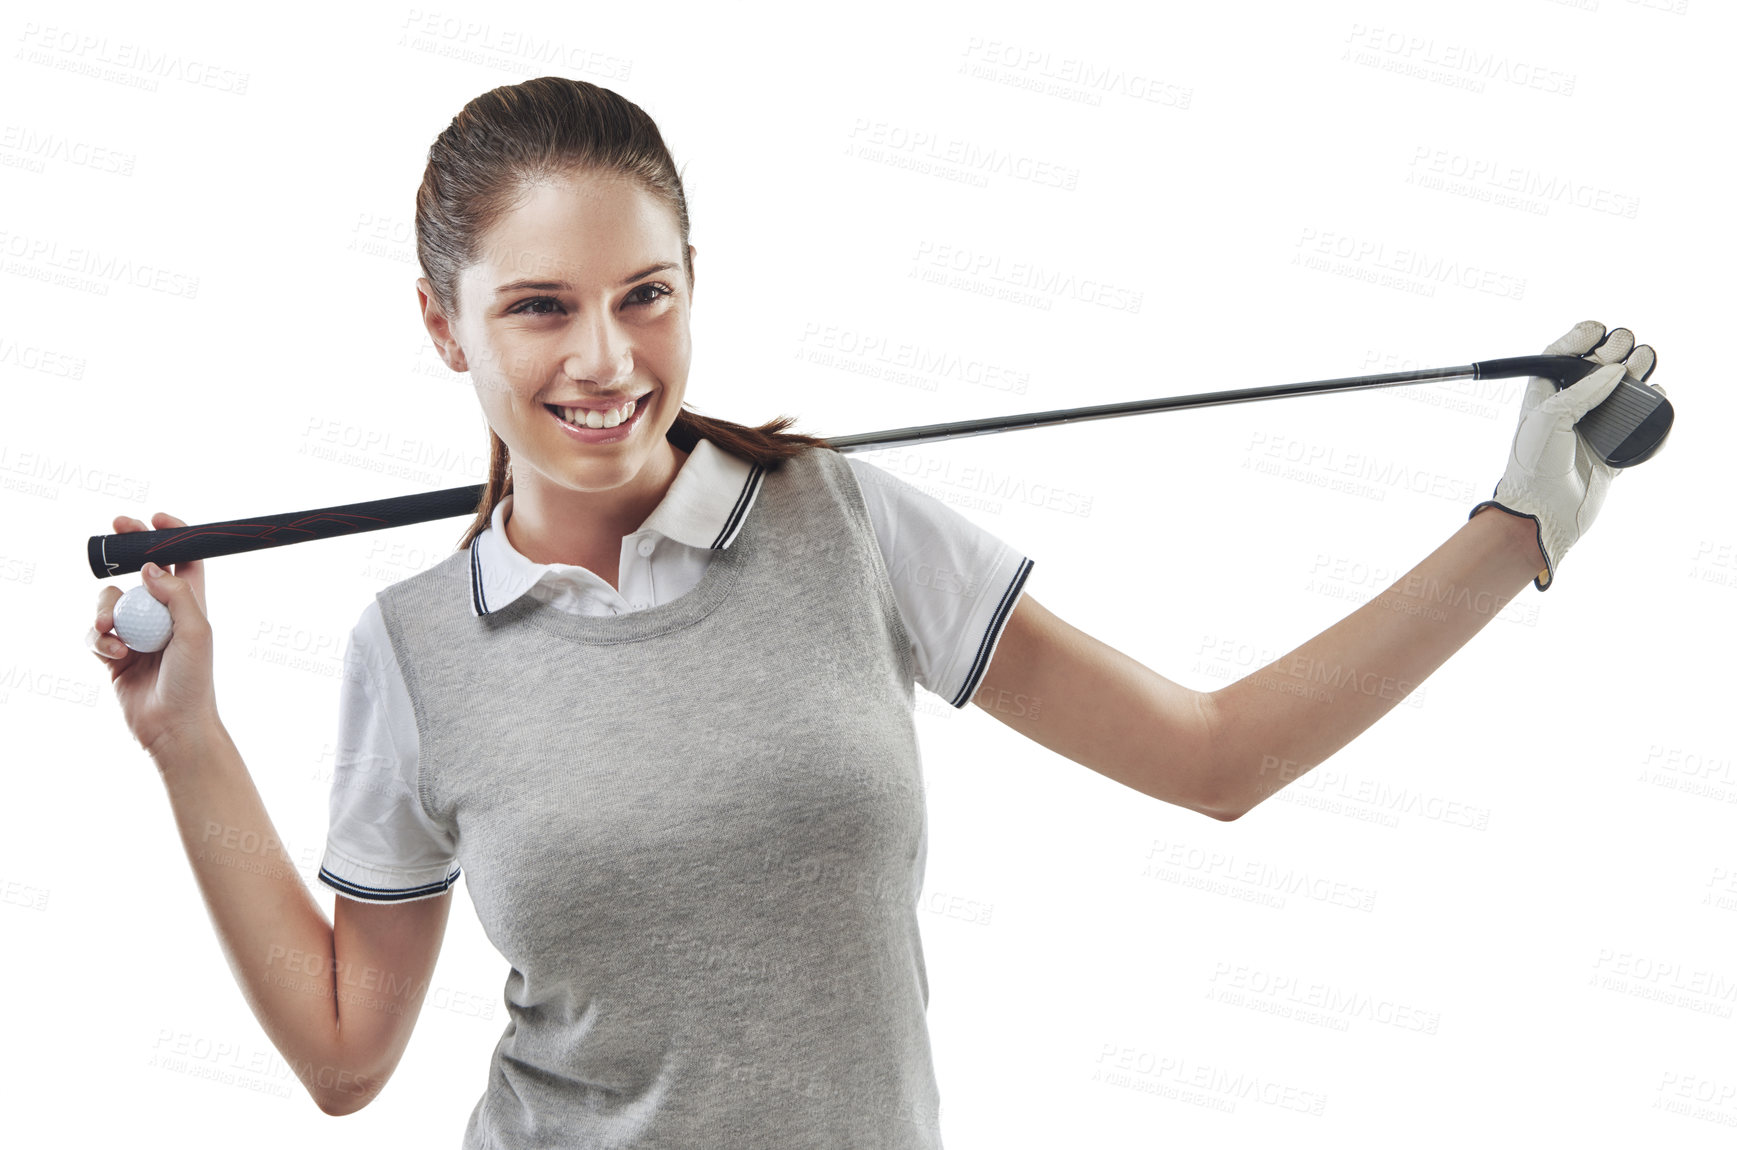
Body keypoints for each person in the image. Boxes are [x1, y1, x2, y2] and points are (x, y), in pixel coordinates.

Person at [84, 75, 1662, 1147]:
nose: (607, 360)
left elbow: (1216, 756)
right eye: (539, 307)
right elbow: (348, 1054)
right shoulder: (416, 647)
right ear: (443, 324)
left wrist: (1510, 529)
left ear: (693, 277)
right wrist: (187, 737)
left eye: (645, 293)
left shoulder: (838, 522)